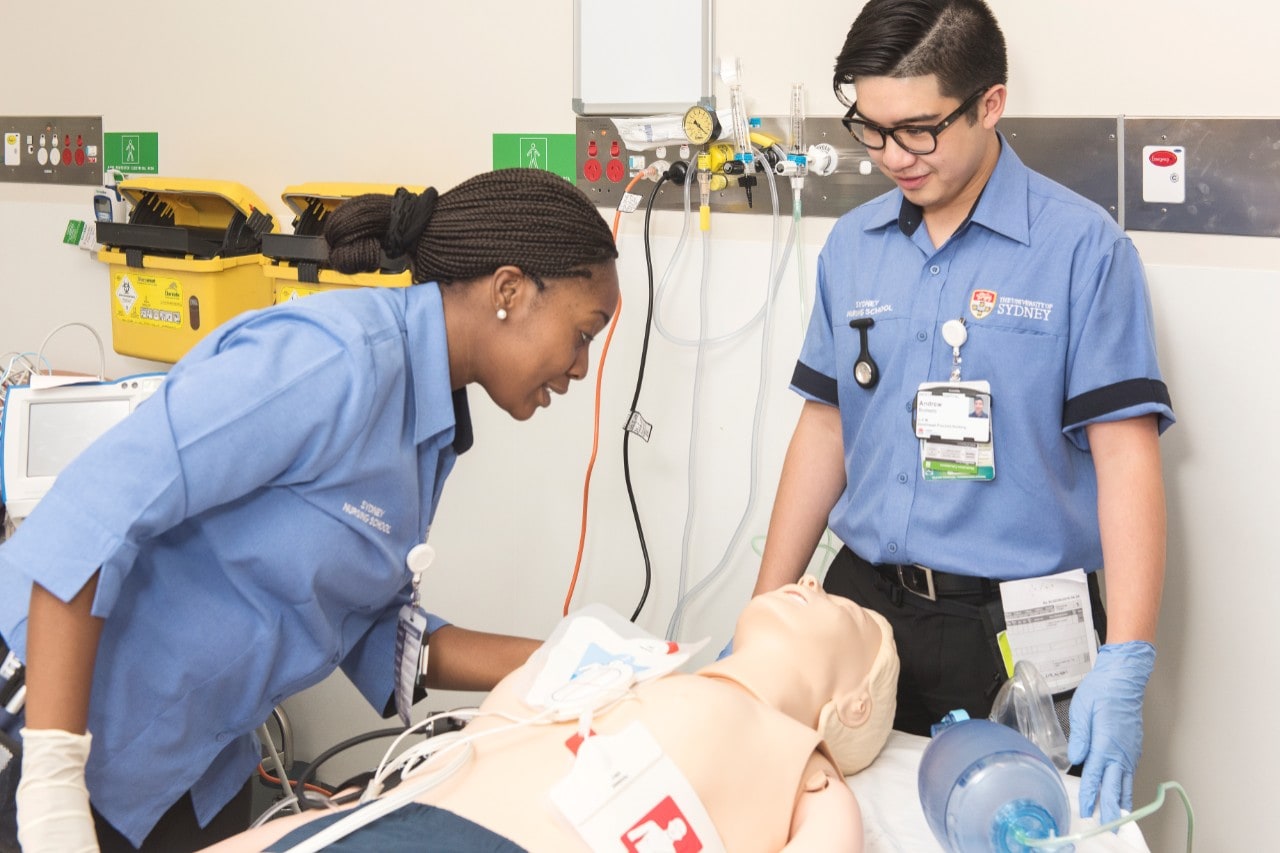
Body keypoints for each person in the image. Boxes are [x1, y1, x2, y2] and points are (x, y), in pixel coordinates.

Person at [0, 167, 621, 851]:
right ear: (510, 290)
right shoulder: (331, 361)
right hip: (57, 729)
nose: (580, 368)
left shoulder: (428, 423)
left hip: (191, 766)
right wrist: (53, 778)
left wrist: (565, 667)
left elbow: (367, 626)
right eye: (584, 333)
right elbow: (90, 516)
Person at [750, 0, 1174, 828]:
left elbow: (1126, 461)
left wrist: (1126, 657)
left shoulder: (1083, 250)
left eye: (917, 130)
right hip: (860, 612)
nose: (890, 157)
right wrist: (762, 610)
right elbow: (827, 425)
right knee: (833, 830)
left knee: (1014, 834)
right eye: (869, 130)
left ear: (990, 104)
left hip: (1015, 631)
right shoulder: (855, 244)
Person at [204, 576, 900, 853]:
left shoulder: (806, 769)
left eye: (845, 607)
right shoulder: (627, 671)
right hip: (386, 822)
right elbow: (439, 775)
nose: (812, 580)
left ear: (853, 702)